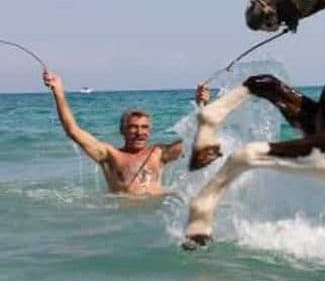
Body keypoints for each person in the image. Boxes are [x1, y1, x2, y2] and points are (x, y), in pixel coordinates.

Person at [43, 71, 211, 196]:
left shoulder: (158, 153)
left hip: (156, 215)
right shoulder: (109, 155)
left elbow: (196, 140)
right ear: (122, 131)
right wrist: (59, 93)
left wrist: (202, 104)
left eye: (144, 127)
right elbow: (72, 130)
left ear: (149, 131)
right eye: (133, 127)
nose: (139, 132)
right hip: (124, 216)